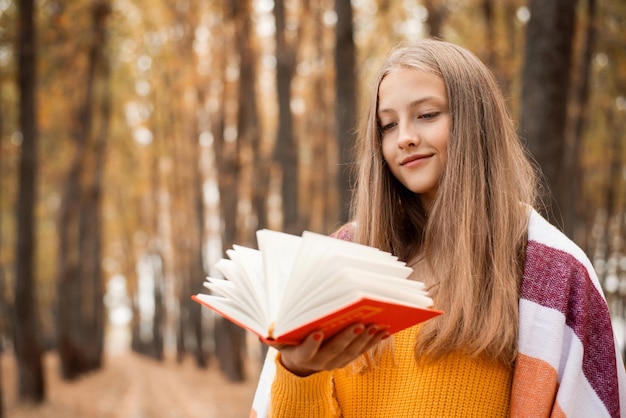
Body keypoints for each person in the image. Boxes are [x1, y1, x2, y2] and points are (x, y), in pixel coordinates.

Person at [250, 39, 626, 417]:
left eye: (427, 115)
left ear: (475, 121)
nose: (405, 137)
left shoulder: (550, 272)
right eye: (388, 125)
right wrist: (298, 372)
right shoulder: (340, 257)